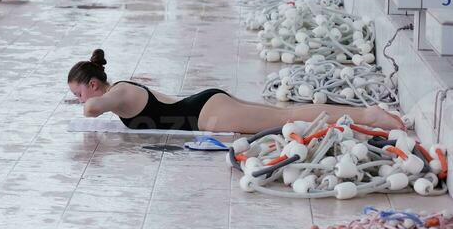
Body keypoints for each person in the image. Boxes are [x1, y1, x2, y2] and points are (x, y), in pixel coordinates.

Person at [67, 49, 404, 133]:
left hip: (208, 114)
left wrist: (87, 104)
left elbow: (92, 110)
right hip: (207, 106)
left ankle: (368, 115)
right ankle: (365, 117)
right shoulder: (121, 90)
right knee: (282, 117)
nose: (80, 100)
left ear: (95, 85)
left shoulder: (116, 94)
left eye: (79, 93)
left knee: (287, 118)